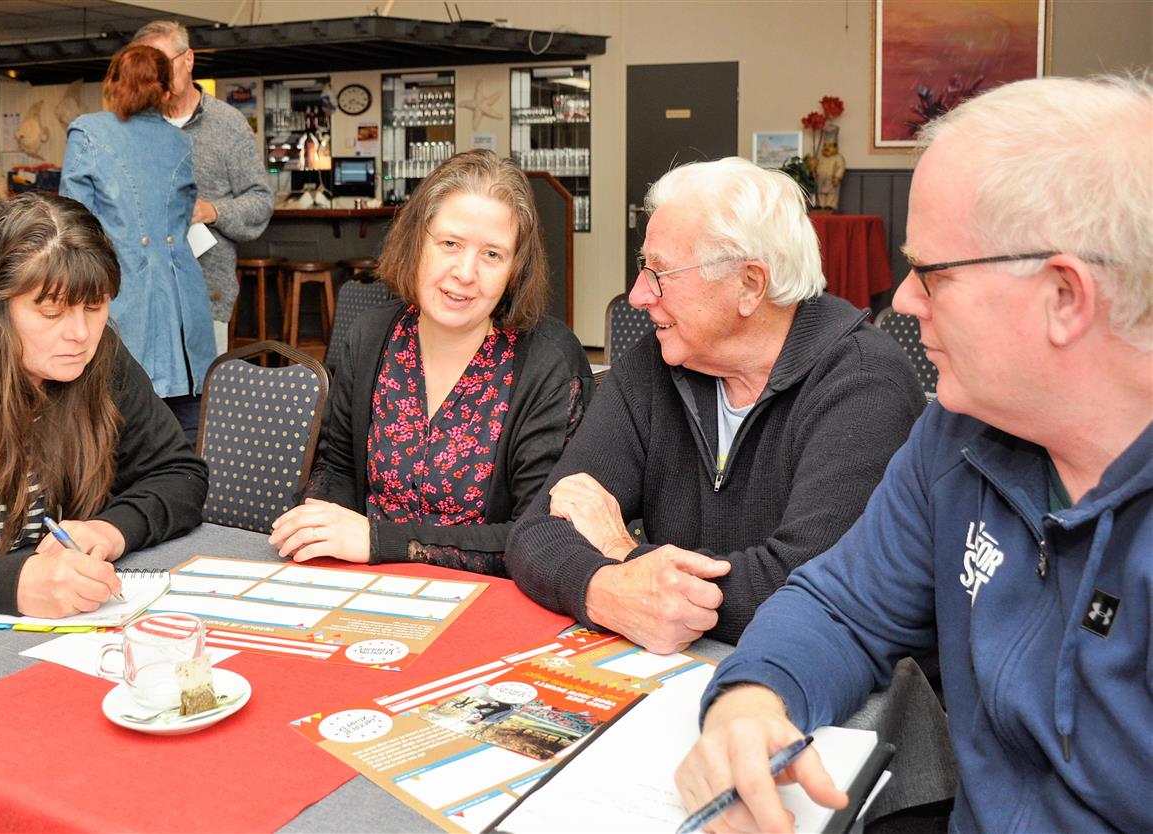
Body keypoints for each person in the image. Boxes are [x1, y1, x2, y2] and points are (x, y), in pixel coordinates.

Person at [675, 74, 1152, 833]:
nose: (901, 300)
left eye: (932, 274)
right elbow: (839, 606)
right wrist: (749, 700)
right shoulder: (957, 438)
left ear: (1064, 296)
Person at [505, 156, 925, 654]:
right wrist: (604, 590)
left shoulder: (862, 381)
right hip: (676, 673)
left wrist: (623, 553)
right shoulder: (655, 364)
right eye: (644, 268)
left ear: (750, 284)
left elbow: (800, 591)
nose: (639, 295)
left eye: (660, 273)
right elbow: (537, 530)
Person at [269, 150, 592, 575]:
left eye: (492, 254)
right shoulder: (369, 338)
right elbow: (338, 468)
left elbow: (540, 534)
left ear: (516, 269)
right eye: (450, 244)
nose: (465, 272)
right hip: (366, 585)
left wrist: (375, 540)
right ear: (416, 242)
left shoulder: (549, 362)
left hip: (491, 600)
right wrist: (319, 520)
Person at [0, 193, 209, 621]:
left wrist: (111, 529)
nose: (80, 333)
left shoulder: (96, 355)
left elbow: (180, 474)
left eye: (95, 306)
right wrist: (14, 583)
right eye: (50, 313)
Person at [59, 43, 214, 445]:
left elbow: (73, 225)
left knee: (117, 423)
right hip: (183, 303)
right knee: (187, 427)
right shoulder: (178, 142)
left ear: (112, 83)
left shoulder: (88, 132)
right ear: (166, 91)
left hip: (123, 295)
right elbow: (181, 218)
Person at [132, 20, 274, 356]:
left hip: (205, 290)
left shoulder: (228, 124)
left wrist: (212, 210)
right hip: (140, 292)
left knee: (202, 400)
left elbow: (261, 200)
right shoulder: (133, 126)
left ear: (188, 60)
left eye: (163, 64)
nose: (158, 76)